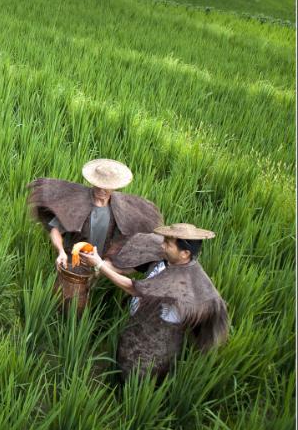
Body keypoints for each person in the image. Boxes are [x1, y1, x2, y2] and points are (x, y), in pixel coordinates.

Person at [79, 224, 228, 380]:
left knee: (141, 378)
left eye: (168, 244)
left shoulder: (187, 280)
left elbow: (132, 287)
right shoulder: (165, 260)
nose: (162, 245)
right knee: (122, 365)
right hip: (134, 327)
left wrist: (99, 265)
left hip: (157, 344)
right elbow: (126, 268)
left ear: (185, 253)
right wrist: (99, 264)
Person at [27, 159, 162, 312]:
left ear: (113, 188)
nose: (101, 190)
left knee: (96, 297)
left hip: (100, 260)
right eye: (98, 185)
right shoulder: (77, 200)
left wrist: (104, 264)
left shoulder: (121, 208)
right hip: (74, 260)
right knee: (67, 301)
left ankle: (93, 313)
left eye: (106, 187)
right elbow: (55, 229)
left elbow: (127, 240)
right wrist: (61, 252)